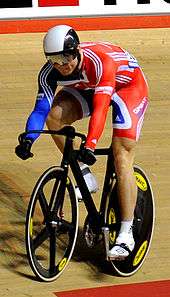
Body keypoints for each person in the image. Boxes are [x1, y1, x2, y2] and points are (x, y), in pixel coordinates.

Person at [15, 24, 148, 260]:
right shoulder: (49, 72)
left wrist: (91, 145)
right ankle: (85, 175)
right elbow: (40, 109)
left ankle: (127, 233)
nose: (61, 65)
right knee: (54, 116)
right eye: (54, 59)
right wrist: (28, 138)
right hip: (89, 87)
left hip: (128, 87)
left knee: (121, 154)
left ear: (76, 51)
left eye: (66, 57)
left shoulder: (99, 61)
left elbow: (100, 110)